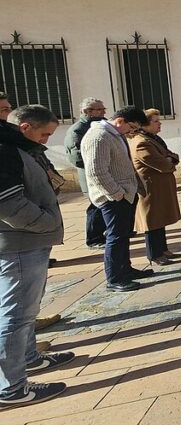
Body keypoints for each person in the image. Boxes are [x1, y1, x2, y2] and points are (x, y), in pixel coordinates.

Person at [0, 106, 75, 408]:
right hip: (18, 244)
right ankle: (11, 388)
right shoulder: (5, 150)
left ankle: (29, 358)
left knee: (24, 313)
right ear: (26, 127)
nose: (45, 141)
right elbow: (8, 205)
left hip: (25, 242)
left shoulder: (13, 146)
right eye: (44, 134)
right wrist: (46, 222)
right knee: (15, 316)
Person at [81, 106, 152, 293]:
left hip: (125, 194)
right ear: (120, 120)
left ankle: (125, 270)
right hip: (112, 197)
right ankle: (114, 278)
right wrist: (117, 194)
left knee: (123, 236)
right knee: (115, 237)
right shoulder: (99, 137)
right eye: (132, 128)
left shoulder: (114, 134)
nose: (132, 133)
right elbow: (96, 171)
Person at [128, 109, 181, 267]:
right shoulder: (141, 142)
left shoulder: (152, 139)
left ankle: (163, 250)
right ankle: (154, 254)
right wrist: (169, 160)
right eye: (156, 121)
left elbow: (172, 156)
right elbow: (164, 164)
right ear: (145, 124)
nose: (160, 123)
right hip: (150, 186)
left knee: (160, 218)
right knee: (151, 221)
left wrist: (170, 159)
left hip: (159, 185)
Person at [64, 97, 108, 249]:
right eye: (99, 109)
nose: (103, 112)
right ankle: (94, 238)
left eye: (103, 109)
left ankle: (108, 232)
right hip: (91, 176)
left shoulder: (103, 125)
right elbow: (76, 157)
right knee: (96, 206)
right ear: (86, 111)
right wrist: (98, 163)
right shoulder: (78, 130)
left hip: (107, 173)